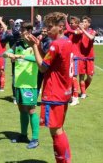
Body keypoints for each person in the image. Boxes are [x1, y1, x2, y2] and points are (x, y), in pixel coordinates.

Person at [25, 12, 73, 162]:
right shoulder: (67, 41)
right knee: (59, 129)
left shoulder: (56, 44)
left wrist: (33, 46)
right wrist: (38, 46)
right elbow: (50, 61)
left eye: (50, 26)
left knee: (56, 131)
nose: (47, 29)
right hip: (63, 92)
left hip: (54, 93)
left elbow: (42, 67)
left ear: (60, 27)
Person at [3, 22, 39, 149]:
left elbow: (38, 59)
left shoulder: (35, 43)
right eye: (20, 29)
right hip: (18, 82)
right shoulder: (17, 43)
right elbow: (4, 53)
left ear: (29, 31)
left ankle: (35, 138)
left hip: (29, 83)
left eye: (23, 29)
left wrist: (20, 56)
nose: (20, 31)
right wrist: (8, 54)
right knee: (21, 109)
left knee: (31, 110)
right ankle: (23, 135)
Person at [64, 16, 83, 106]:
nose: (71, 24)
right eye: (70, 23)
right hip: (70, 56)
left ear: (77, 24)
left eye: (72, 23)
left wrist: (65, 20)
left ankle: (76, 97)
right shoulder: (69, 32)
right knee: (69, 78)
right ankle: (71, 97)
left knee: (74, 78)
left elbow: (68, 30)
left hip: (75, 57)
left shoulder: (79, 31)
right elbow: (65, 31)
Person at [78, 16, 96, 99]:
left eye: (85, 22)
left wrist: (83, 30)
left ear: (89, 24)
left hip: (90, 57)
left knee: (90, 77)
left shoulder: (93, 31)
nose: (84, 23)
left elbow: (91, 37)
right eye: (83, 21)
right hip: (81, 57)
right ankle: (83, 93)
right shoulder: (79, 32)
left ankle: (83, 90)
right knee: (81, 76)